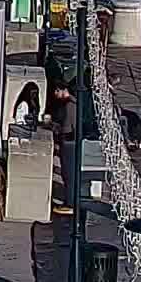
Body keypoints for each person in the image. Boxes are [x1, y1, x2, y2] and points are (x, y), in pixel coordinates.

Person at [47, 81, 80, 217]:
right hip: (73, 142)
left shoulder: (69, 105)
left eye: (56, 91)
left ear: (63, 90)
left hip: (69, 143)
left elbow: (66, 128)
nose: (55, 94)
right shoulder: (74, 103)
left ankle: (70, 204)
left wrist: (51, 125)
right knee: (69, 174)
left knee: (68, 174)